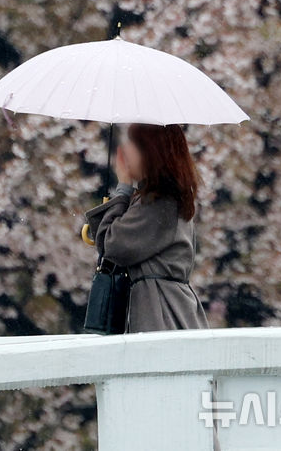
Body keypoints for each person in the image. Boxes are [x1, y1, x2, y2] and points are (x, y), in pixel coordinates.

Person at [83, 122, 221, 450]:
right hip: (161, 304)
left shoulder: (161, 200)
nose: (125, 153)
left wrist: (121, 189)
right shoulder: (159, 198)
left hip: (161, 309)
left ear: (150, 151)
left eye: (131, 144)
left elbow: (115, 244)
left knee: (169, 404)